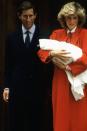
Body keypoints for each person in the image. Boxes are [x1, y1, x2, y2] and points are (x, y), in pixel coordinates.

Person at [38, 1, 87, 131]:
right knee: (61, 117)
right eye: (68, 17)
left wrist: (68, 67)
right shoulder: (56, 34)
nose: (71, 21)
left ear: (79, 18)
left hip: (79, 80)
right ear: (63, 18)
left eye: (74, 17)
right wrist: (52, 54)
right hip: (60, 81)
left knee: (79, 118)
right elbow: (41, 51)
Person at [3, 1, 45, 131]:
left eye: (31, 15)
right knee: (16, 125)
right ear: (19, 16)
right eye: (25, 16)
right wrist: (6, 87)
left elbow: (47, 66)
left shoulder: (44, 36)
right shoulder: (11, 37)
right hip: (17, 89)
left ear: (35, 15)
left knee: (35, 124)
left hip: (37, 90)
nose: (28, 19)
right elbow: (8, 64)